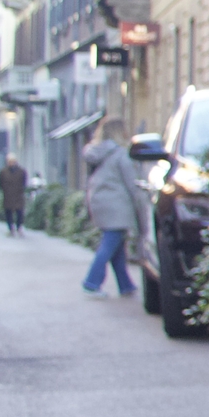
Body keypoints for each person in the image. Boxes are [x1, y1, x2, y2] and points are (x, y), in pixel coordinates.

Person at [80, 127, 145, 297]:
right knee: (110, 243)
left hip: (99, 201)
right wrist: (141, 202)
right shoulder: (120, 154)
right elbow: (132, 183)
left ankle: (126, 285)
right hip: (117, 205)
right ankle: (91, 283)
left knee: (116, 247)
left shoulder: (97, 153)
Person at [0, 156, 25, 238]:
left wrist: (20, 190)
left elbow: (24, 182)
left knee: (19, 212)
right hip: (8, 195)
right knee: (8, 212)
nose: (11, 163)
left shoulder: (21, 172)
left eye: (13, 161)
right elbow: (0, 183)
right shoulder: (3, 172)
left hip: (18, 195)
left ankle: (18, 227)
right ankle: (10, 228)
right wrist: (5, 190)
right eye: (10, 161)